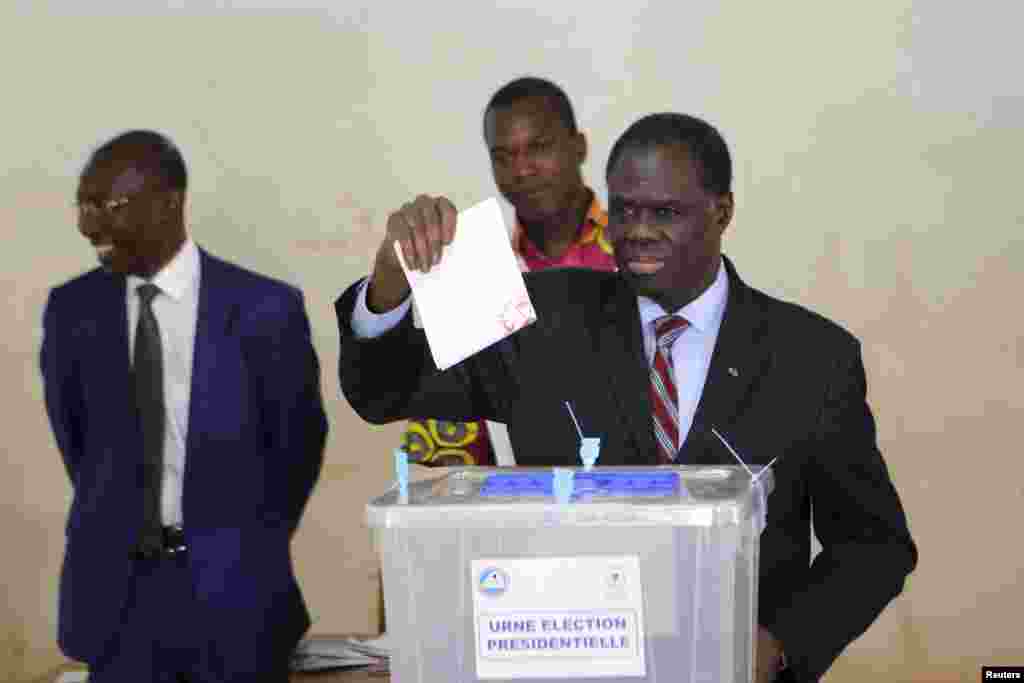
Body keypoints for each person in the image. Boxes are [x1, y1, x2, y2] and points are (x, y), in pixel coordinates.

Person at [335, 113, 917, 682]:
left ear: (723, 211)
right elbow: (383, 392)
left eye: (665, 212)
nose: (638, 230)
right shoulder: (540, 309)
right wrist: (391, 280)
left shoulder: (813, 356)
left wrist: (784, 642)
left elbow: (873, 546)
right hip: (564, 663)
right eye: (626, 210)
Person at [41, 130, 327, 682]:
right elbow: (78, 444)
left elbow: (297, 449)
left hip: (236, 595)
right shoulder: (73, 310)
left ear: (170, 202)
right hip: (118, 602)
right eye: (84, 205)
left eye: (108, 205)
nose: (88, 224)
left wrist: (242, 540)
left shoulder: (264, 308)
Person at [399, 76, 616, 467]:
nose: (522, 170)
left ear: (579, 147)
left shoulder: (636, 250)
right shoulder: (473, 274)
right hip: (521, 515)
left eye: (539, 148)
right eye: (503, 156)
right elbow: (450, 455)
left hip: (650, 505)